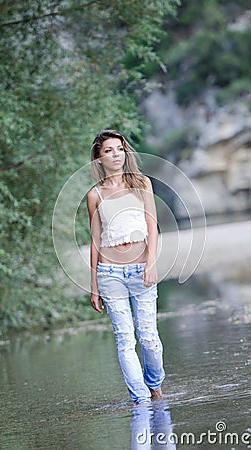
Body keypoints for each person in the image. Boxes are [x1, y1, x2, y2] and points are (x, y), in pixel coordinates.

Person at [86, 129, 165, 406]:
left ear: (125, 152)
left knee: (148, 336)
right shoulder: (95, 195)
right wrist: (94, 286)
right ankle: (141, 400)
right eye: (108, 150)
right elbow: (95, 241)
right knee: (124, 339)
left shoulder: (142, 183)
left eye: (119, 149)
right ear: (99, 158)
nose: (115, 155)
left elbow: (152, 227)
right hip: (110, 274)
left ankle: (155, 386)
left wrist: (151, 263)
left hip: (142, 268)